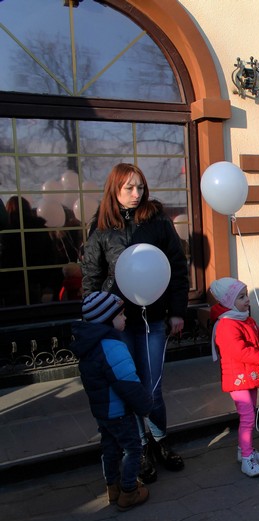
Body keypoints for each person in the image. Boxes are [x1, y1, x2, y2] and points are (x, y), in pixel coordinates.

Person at [82, 163, 189, 483]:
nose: (136, 194)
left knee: (153, 387)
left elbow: (177, 267)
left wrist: (177, 311)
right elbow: (91, 280)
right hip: (119, 324)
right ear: (114, 190)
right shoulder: (100, 230)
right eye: (129, 188)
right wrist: (105, 317)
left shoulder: (157, 222)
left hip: (154, 320)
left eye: (140, 187)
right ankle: (140, 447)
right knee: (130, 388)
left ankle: (160, 441)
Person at [72, 291, 152, 511]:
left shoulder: (89, 345)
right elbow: (127, 383)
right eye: (121, 315)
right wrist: (145, 405)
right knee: (133, 449)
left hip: (102, 411)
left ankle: (113, 488)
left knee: (109, 448)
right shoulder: (112, 346)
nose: (125, 318)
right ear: (107, 319)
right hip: (118, 411)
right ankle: (129, 491)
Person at [209, 277, 259, 478]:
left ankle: (244, 450)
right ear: (228, 301)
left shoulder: (245, 318)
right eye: (241, 297)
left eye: (246, 295)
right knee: (247, 417)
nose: (247, 300)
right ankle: (247, 457)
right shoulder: (226, 325)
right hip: (238, 377)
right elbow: (240, 352)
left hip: (250, 374)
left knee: (250, 413)